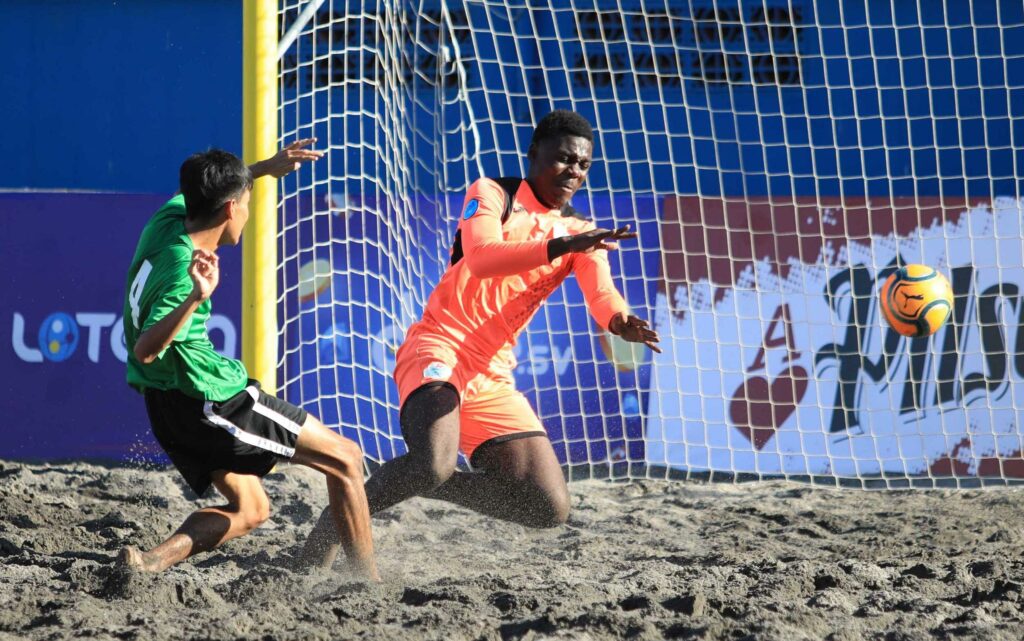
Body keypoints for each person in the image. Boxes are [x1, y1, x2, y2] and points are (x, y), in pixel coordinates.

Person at [299, 110, 660, 568]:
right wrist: (561, 247)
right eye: (564, 159)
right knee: (431, 463)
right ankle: (329, 533)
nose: (574, 171)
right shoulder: (493, 192)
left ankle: (416, 481)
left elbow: (602, 293)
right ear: (534, 156)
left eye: (584, 165)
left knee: (547, 507)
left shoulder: (579, 232)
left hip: (492, 376)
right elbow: (485, 257)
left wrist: (619, 320)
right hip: (439, 348)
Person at [118, 140, 378, 580]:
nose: (249, 210)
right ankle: (369, 585)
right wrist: (196, 298)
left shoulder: (166, 221)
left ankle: (148, 562)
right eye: (247, 203)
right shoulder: (185, 273)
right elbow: (145, 347)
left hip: (166, 404)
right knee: (348, 459)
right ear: (230, 210)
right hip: (209, 401)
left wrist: (265, 168)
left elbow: (217, 190)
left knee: (253, 508)